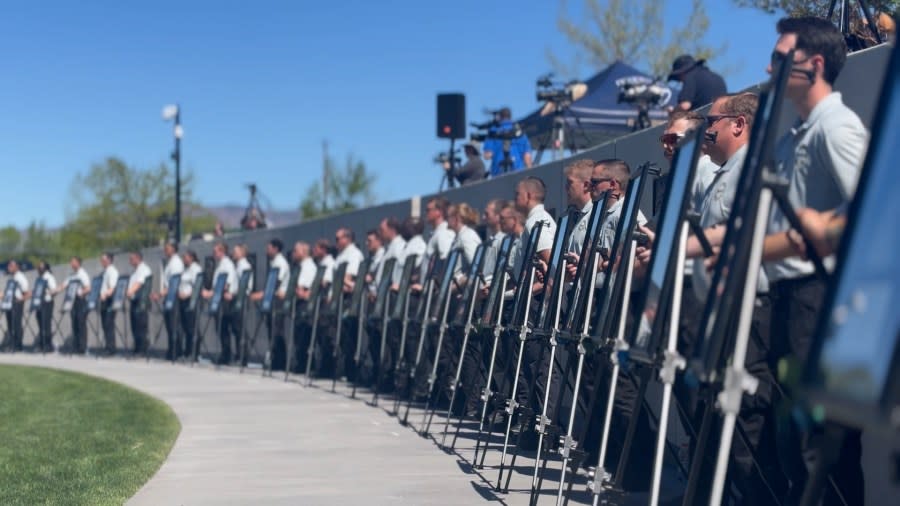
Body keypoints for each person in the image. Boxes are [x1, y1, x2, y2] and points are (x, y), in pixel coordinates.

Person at [761, 17, 868, 505]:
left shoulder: (838, 129)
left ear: (815, 64)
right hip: (791, 302)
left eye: (781, 60)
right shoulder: (792, 137)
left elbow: (874, 217)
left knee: (822, 450)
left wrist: (821, 230)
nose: (770, 68)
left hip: (821, 302)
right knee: (794, 445)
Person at [202, 242, 238, 364]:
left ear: (222, 251)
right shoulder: (220, 265)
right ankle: (225, 353)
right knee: (221, 329)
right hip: (219, 298)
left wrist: (211, 293)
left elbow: (225, 284)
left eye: (215, 251)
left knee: (225, 328)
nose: (214, 253)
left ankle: (227, 355)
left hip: (224, 300)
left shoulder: (226, 265)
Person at [561, 159, 596, 280]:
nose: (565, 188)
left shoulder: (597, 216)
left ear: (586, 185)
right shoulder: (576, 218)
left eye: (570, 183)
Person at [414, 197, 456, 290]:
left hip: (435, 295)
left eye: (428, 210)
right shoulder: (437, 233)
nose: (426, 213)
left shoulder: (444, 233)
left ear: (439, 212)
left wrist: (432, 288)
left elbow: (445, 262)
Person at [515, 176, 557, 264]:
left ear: (528, 196)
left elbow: (548, 256)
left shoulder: (537, 219)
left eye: (517, 194)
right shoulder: (536, 218)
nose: (515, 198)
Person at [155, 242, 184, 360]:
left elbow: (174, 282)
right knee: (169, 326)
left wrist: (162, 293)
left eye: (167, 249)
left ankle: (176, 351)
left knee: (174, 325)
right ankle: (172, 350)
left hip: (173, 297)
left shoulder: (176, 263)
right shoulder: (169, 263)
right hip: (168, 297)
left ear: (173, 249)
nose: (165, 251)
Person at [483, 107, 533, 177]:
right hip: (518, 172)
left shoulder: (493, 132)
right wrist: (530, 174)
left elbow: (487, 155)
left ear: (500, 117)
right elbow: (527, 155)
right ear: (510, 116)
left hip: (498, 174)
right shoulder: (519, 132)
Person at [126, 251, 152, 354]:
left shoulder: (144, 269)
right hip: (134, 300)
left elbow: (139, 283)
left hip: (141, 301)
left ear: (138, 258)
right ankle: (137, 348)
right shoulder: (135, 271)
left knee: (141, 326)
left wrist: (131, 291)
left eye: (131, 258)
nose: (130, 261)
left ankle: (142, 348)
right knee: (134, 325)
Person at [64, 256, 91, 354]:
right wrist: (54, 290)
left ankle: (82, 347)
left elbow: (88, 288)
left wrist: (81, 293)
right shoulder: (72, 275)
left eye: (73, 262)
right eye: (71, 262)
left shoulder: (82, 274)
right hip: (72, 301)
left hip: (81, 301)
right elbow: (64, 285)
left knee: (81, 324)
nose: (71, 264)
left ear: (78, 263)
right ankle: (76, 346)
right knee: (74, 323)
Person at [178, 250, 202, 359]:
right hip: (182, 300)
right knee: (186, 327)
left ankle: (194, 352)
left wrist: (187, 294)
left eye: (185, 257)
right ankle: (187, 351)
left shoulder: (196, 269)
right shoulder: (185, 269)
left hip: (191, 300)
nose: (184, 259)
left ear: (191, 257)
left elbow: (196, 286)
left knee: (192, 327)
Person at [3, 260, 29, 352]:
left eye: (11, 265)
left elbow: (27, 292)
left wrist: (20, 300)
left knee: (16, 324)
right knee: (10, 325)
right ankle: (11, 343)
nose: (9, 267)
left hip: (17, 303)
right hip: (8, 303)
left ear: (17, 267)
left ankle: (17, 345)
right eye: (9, 265)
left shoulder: (21, 277)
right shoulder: (11, 278)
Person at [481, 199, 507, 280]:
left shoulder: (504, 241)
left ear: (498, 216)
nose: (483, 217)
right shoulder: (491, 241)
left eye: (487, 214)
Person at [98, 252, 119, 355]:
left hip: (109, 301)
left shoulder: (112, 271)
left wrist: (106, 294)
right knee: (105, 325)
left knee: (109, 324)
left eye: (104, 260)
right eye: (101, 260)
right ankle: (107, 346)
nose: (102, 262)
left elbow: (113, 287)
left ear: (109, 260)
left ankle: (111, 349)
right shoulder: (104, 272)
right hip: (103, 301)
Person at [35, 261, 57, 352]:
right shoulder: (39, 278)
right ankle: (42, 344)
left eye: (41, 267)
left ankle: (48, 345)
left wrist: (46, 292)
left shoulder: (49, 277)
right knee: (40, 324)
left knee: (46, 324)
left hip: (47, 303)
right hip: (39, 303)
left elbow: (54, 290)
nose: (39, 269)